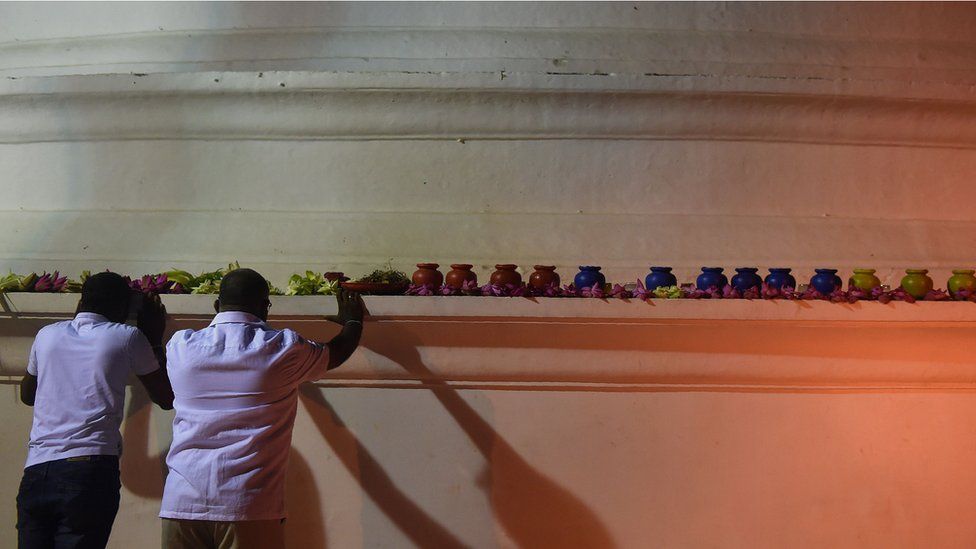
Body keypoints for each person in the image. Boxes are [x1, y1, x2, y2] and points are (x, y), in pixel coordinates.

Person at [160, 268, 364, 549]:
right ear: (264, 307)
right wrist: (353, 320)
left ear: (217, 306)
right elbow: (335, 353)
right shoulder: (282, 348)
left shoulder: (180, 347)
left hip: (181, 501)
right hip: (247, 504)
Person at [17, 271, 174, 548]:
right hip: (88, 469)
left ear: (81, 302)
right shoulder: (127, 337)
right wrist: (154, 339)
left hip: (38, 469)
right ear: (123, 307)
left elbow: (28, 395)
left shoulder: (47, 335)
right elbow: (166, 397)